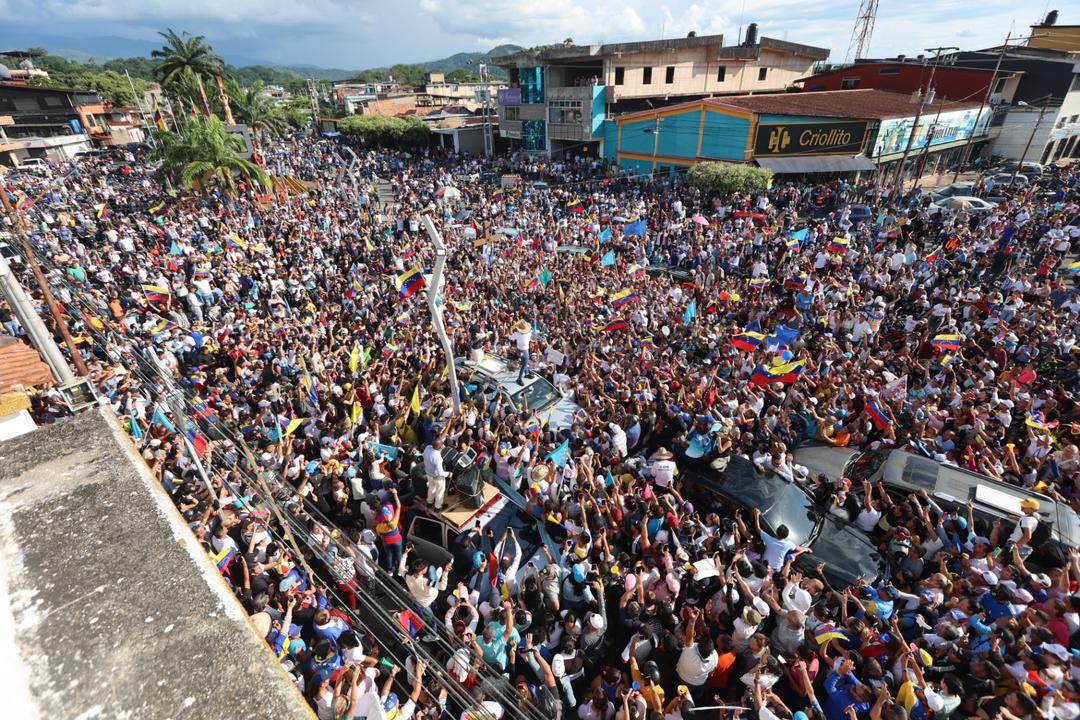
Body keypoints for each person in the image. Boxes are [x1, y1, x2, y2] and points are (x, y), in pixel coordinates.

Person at [422, 435, 452, 510]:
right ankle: (438, 507)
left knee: (431, 489)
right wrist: (448, 474)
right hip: (437, 477)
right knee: (439, 492)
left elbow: (435, 450)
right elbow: (440, 472)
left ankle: (429, 502)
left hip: (429, 474)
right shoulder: (438, 458)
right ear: (440, 446)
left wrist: (440, 446)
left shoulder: (428, 447)